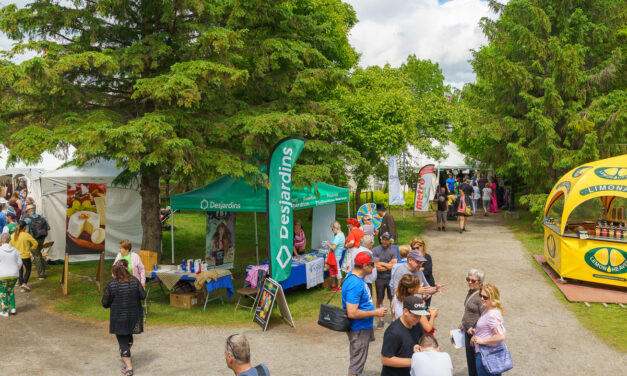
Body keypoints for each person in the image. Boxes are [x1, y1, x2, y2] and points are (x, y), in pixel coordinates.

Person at [342, 252, 387, 376]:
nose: (374, 267)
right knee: (355, 365)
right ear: (365, 265)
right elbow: (352, 312)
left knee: (358, 362)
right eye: (372, 264)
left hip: (362, 327)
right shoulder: (355, 284)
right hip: (359, 328)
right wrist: (376, 312)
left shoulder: (354, 277)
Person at [101, 259, 146, 376]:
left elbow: (105, 303)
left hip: (119, 317)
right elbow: (143, 295)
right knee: (129, 338)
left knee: (122, 342)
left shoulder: (111, 284)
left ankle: (129, 368)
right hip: (134, 316)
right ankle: (125, 352)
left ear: (115, 274)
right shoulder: (135, 281)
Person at [380, 295, 426, 376]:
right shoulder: (393, 332)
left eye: (420, 316)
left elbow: (423, 343)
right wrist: (413, 361)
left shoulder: (418, 325)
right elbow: (385, 359)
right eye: (415, 316)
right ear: (405, 311)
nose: (418, 319)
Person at [469, 284, 507, 376]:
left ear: (493, 298)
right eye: (480, 295)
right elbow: (488, 330)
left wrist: (482, 340)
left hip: (487, 356)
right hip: (486, 355)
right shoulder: (487, 311)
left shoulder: (492, 315)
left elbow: (501, 336)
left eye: (485, 297)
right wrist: (476, 331)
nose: (482, 298)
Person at [460, 269, 486, 376]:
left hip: (475, 336)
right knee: (470, 362)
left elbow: (484, 318)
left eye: (473, 281)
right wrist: (462, 324)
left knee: (476, 364)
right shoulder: (471, 292)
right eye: (468, 279)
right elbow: (468, 311)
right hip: (467, 332)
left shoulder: (481, 297)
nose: (470, 282)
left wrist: (476, 334)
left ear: (480, 283)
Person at [372, 232, 398, 329]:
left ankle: (393, 319)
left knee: (392, 299)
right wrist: (388, 265)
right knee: (379, 299)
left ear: (390, 240)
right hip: (379, 278)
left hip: (391, 278)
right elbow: (376, 266)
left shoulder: (394, 250)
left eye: (386, 239)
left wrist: (382, 264)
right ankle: (381, 320)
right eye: (383, 239)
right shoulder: (375, 249)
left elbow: (394, 265)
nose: (384, 241)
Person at [23, 205, 50, 280]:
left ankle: (41, 274)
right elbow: (48, 228)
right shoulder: (42, 217)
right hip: (42, 239)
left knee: (36, 256)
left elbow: (27, 231)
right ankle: (43, 270)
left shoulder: (28, 219)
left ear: (28, 211)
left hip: (34, 240)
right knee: (39, 254)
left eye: (27, 212)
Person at [10, 221, 37, 292]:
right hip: (25, 256)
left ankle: (22, 286)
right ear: (24, 227)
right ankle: (24, 284)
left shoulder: (12, 235)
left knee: (20, 271)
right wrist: (31, 248)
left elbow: (10, 246)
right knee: (28, 269)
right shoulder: (26, 235)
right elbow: (35, 243)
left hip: (16, 257)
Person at [0, 233, 22, 317]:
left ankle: (5, 311)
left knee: (2, 292)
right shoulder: (15, 250)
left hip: (2, 275)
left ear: (1, 240)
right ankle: (13, 308)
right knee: (10, 290)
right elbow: (20, 262)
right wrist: (16, 270)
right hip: (14, 275)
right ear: (10, 240)